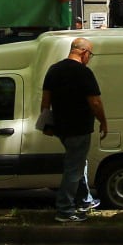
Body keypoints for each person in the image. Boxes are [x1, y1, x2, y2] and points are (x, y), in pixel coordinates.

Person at [39, 37, 107, 222]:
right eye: (90, 54)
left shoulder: (54, 70)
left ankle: (84, 200)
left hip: (61, 127)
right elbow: (95, 101)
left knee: (78, 163)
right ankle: (65, 210)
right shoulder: (84, 73)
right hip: (80, 127)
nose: (89, 58)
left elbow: (45, 101)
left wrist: (46, 124)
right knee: (73, 168)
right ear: (84, 52)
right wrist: (103, 121)